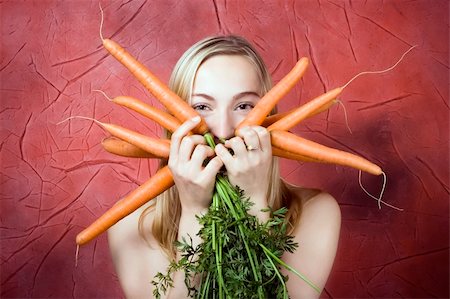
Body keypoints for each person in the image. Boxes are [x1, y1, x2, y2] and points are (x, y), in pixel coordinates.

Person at [107, 35, 341, 299]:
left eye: (243, 106)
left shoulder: (315, 211)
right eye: (202, 106)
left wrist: (253, 202)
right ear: (173, 119)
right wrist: (195, 211)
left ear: (269, 116)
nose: (222, 129)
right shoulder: (129, 224)